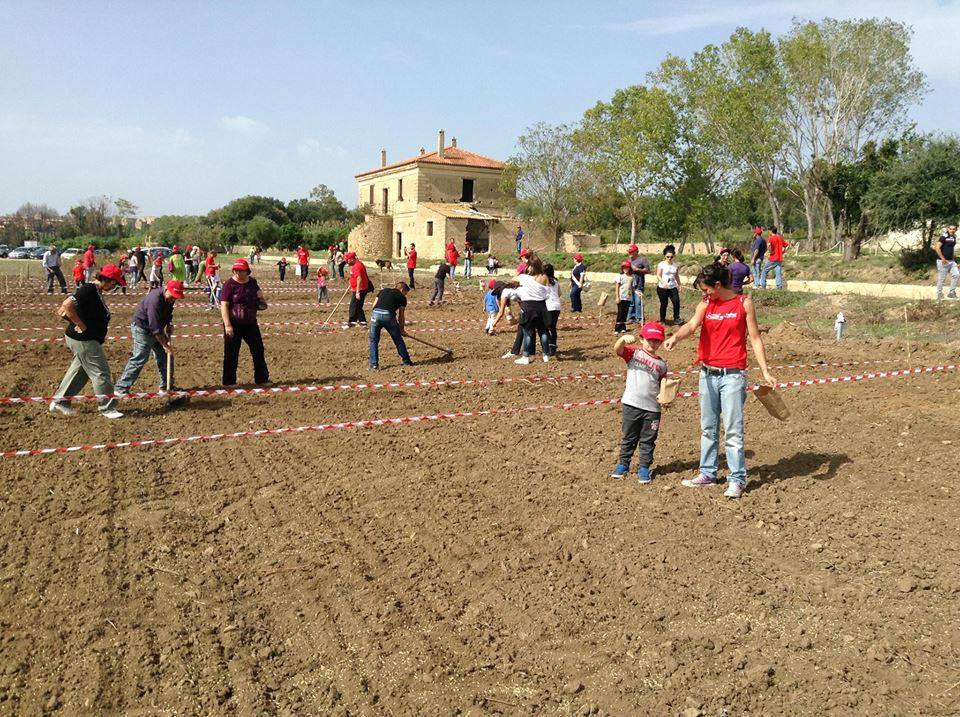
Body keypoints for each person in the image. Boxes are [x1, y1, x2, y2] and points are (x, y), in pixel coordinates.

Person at [663, 263, 777, 499]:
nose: (704, 294)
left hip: (733, 375)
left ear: (718, 285)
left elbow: (755, 339)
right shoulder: (706, 304)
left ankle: (737, 479)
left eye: (707, 289)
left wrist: (765, 371)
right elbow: (692, 325)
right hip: (707, 373)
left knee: (733, 430)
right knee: (708, 427)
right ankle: (707, 473)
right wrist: (676, 337)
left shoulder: (743, 304)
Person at [49, 264, 126, 419]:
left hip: (85, 339)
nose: (115, 286)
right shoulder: (89, 290)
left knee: (80, 372)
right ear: (107, 279)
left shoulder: (96, 292)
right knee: (101, 372)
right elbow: (66, 306)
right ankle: (107, 408)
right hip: (84, 340)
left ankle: (60, 402)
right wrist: (80, 324)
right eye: (115, 283)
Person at [610, 321, 670, 483]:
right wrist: (622, 339)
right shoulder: (634, 353)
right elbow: (618, 350)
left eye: (657, 340)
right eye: (649, 339)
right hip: (632, 404)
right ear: (642, 339)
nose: (653, 343)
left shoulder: (662, 364)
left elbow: (663, 383)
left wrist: (664, 397)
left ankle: (644, 467)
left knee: (648, 439)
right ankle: (623, 464)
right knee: (629, 436)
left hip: (652, 409)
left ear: (661, 342)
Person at [114, 279, 184, 397]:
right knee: (140, 357)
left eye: (176, 297)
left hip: (156, 329)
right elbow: (155, 326)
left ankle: (166, 386)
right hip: (142, 329)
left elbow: (168, 312)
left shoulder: (169, 298)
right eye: (172, 296)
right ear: (166, 289)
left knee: (166, 356)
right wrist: (165, 344)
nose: (173, 299)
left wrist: (169, 323)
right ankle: (121, 388)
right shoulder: (155, 300)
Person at [220, 258, 269, 386]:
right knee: (231, 353)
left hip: (250, 323)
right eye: (235, 270)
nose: (238, 273)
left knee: (258, 349)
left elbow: (260, 295)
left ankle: (262, 379)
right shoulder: (228, 285)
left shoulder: (252, 282)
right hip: (233, 324)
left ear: (247, 271)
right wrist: (227, 325)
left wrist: (261, 300)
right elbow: (224, 306)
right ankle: (229, 382)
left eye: (240, 270)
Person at [514, 254, 552, 365]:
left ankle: (526, 356)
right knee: (543, 331)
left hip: (528, 307)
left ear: (530, 266)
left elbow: (514, 278)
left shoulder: (524, 278)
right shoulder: (545, 277)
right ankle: (546, 355)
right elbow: (548, 293)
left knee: (528, 332)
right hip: (541, 306)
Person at [369, 282, 414, 370]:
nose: (405, 295)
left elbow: (373, 305)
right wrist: (401, 330)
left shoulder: (383, 290)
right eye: (405, 293)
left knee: (373, 341)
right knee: (398, 340)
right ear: (402, 290)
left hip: (375, 314)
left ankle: (374, 366)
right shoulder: (402, 298)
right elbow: (401, 316)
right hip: (388, 316)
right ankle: (407, 361)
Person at [656, 245, 681, 325]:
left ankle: (676, 318)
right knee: (664, 303)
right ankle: (662, 320)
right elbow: (658, 275)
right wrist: (663, 282)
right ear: (665, 256)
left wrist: (679, 284)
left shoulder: (675, 265)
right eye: (668, 257)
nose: (669, 258)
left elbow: (676, 275)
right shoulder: (661, 264)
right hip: (662, 288)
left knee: (676, 301)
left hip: (672, 286)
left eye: (671, 257)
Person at [626, 244, 650, 323]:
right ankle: (631, 317)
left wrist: (637, 269)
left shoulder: (642, 260)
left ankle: (640, 318)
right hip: (630, 284)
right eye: (629, 252)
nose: (630, 253)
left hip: (639, 284)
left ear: (636, 252)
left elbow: (648, 270)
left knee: (638, 302)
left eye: (632, 252)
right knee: (631, 301)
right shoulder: (629, 261)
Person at [346, 252, 372, 324]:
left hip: (360, 289)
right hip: (360, 288)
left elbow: (359, 278)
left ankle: (352, 322)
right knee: (358, 306)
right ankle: (362, 321)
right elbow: (355, 276)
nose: (347, 261)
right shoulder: (357, 264)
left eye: (347, 260)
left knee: (353, 306)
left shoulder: (357, 266)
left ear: (351, 259)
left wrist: (357, 291)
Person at [935, 224, 958, 300]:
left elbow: (951, 249)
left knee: (957, 274)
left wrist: (954, 260)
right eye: (950, 229)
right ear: (948, 229)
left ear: (956, 230)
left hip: (951, 261)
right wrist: (943, 258)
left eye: (953, 229)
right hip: (942, 261)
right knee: (942, 279)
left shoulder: (954, 237)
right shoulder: (943, 237)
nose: (952, 230)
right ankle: (939, 294)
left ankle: (951, 293)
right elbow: (937, 247)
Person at [544, 263, 561, 355]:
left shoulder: (544, 281)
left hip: (549, 306)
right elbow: (559, 293)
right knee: (553, 327)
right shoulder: (556, 281)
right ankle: (553, 345)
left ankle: (549, 346)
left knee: (546, 327)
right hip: (557, 306)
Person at [614, 260, 633, 333]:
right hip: (621, 297)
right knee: (620, 313)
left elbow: (632, 287)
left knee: (625, 313)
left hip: (628, 298)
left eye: (627, 268)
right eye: (624, 268)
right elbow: (617, 287)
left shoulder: (631, 277)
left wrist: (637, 292)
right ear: (622, 268)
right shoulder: (620, 276)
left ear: (629, 268)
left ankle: (623, 327)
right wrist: (617, 297)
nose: (625, 269)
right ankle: (617, 328)